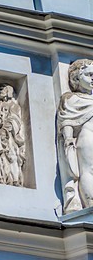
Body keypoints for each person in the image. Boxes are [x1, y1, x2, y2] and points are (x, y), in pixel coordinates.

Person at [58, 59, 93, 212]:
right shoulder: (71, 99)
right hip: (88, 137)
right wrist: (68, 140)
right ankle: (90, 205)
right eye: (89, 75)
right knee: (88, 171)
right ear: (76, 78)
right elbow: (67, 121)